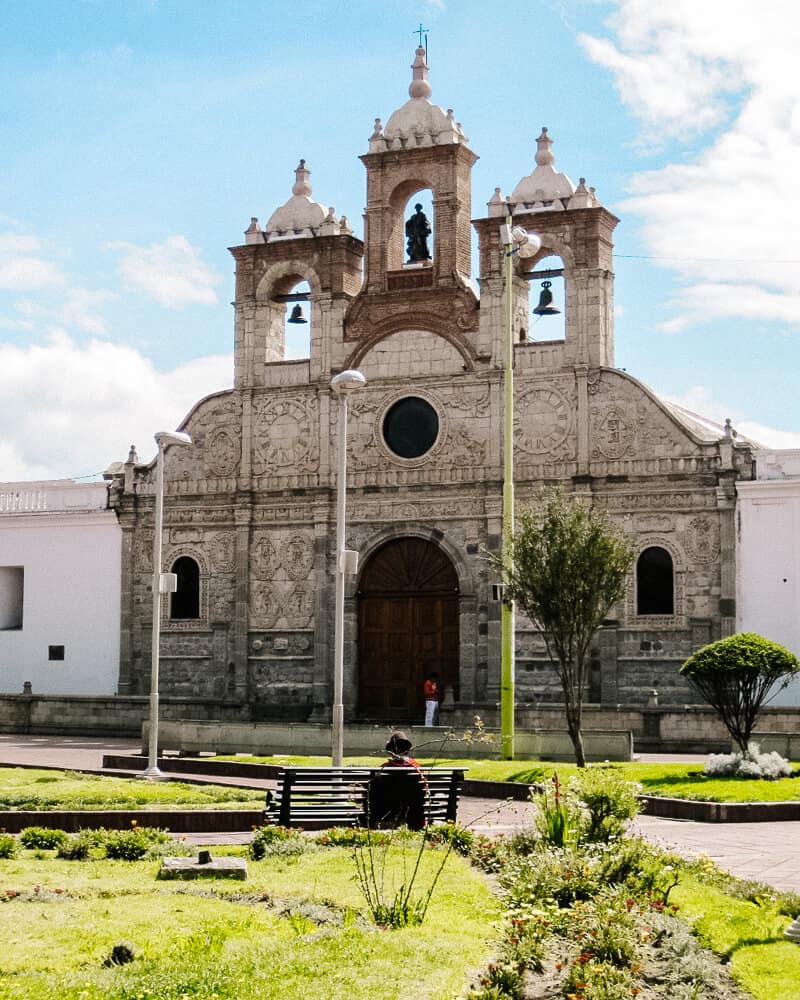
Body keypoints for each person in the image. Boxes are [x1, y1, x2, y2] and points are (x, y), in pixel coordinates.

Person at [367, 731, 427, 829]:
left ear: (391, 751)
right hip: (414, 817)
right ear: (407, 750)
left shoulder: (383, 769)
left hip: (386, 815)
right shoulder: (417, 768)